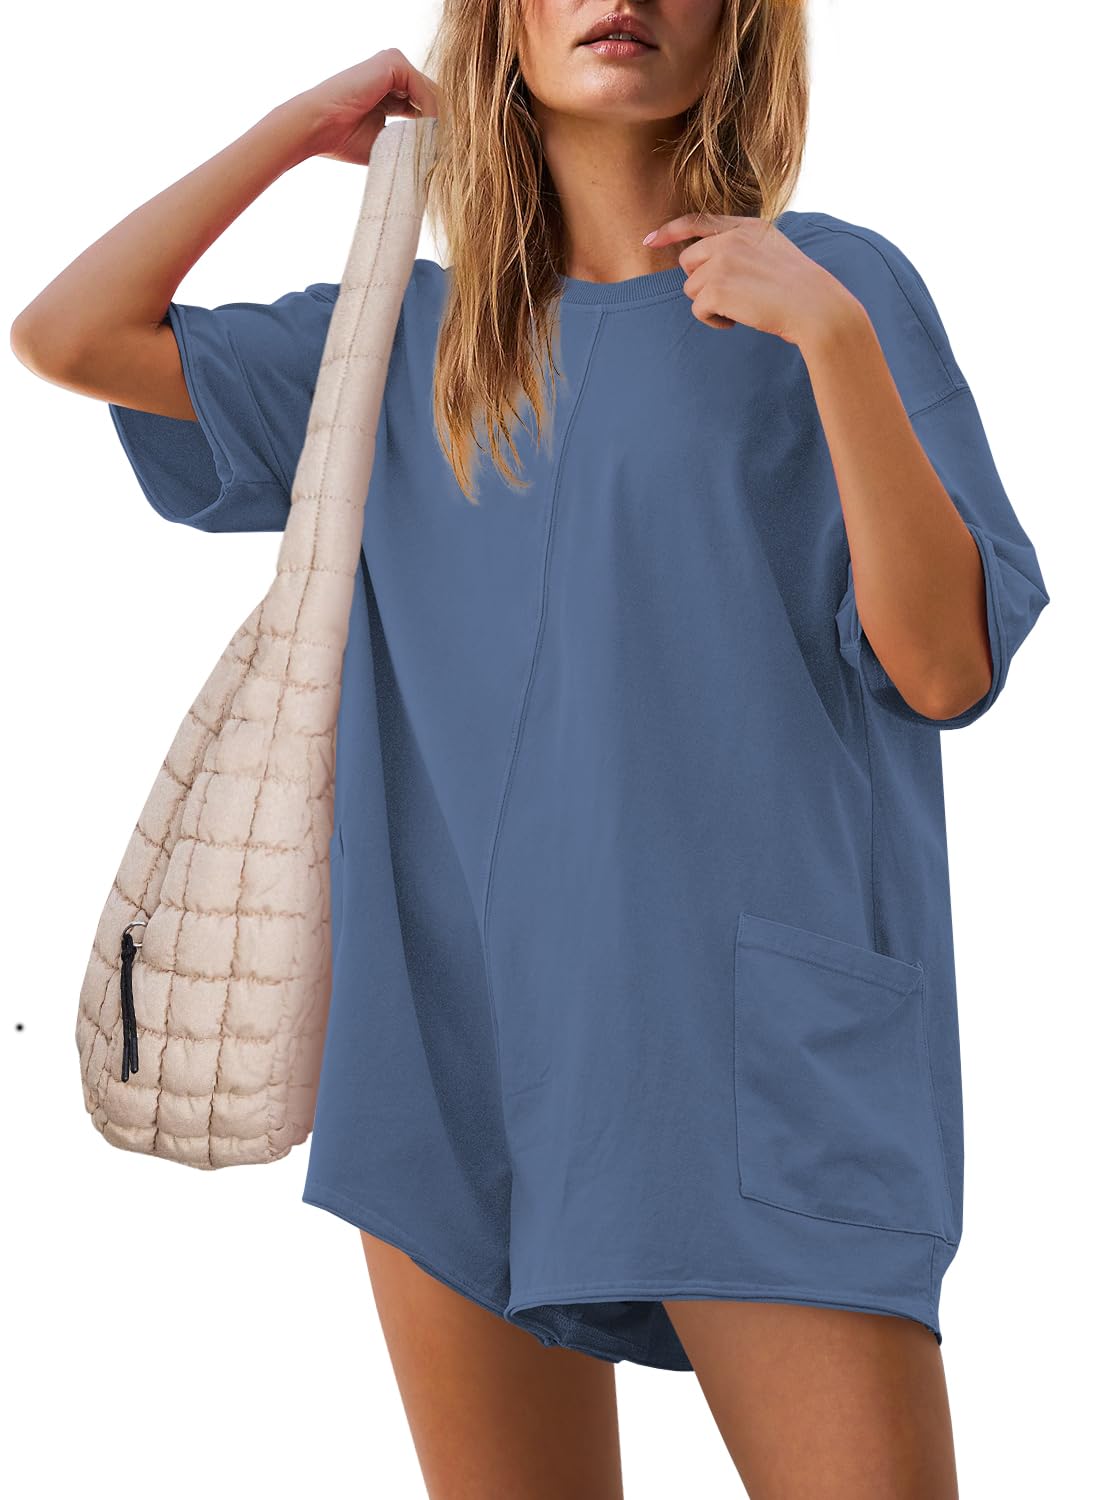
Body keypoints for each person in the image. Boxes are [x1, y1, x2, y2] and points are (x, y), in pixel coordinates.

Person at [12, 4, 1049, 1496]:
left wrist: (826, 335)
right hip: (451, 1055)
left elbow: (945, 667)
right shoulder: (399, 335)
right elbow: (68, 336)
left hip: (746, 1053)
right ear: (497, 23)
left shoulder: (836, 291)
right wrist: (295, 134)